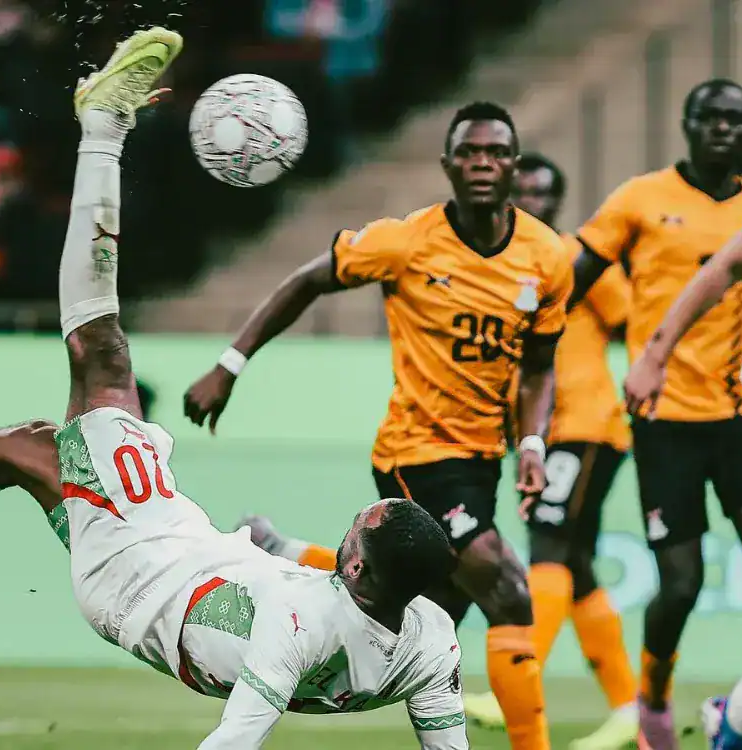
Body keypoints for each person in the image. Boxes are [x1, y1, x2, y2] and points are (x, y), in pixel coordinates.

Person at [0, 28, 470, 750]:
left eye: (357, 527)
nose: (350, 528)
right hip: (175, 564)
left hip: (145, 570)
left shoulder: (300, 626)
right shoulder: (430, 640)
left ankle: (105, 125)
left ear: (356, 566)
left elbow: (236, 740)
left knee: (102, 355)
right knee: (35, 449)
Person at [184, 102, 573, 750]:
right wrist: (231, 363)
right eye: (469, 153)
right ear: (448, 165)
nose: (482, 163)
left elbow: (538, 368)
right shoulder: (406, 241)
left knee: (430, 606)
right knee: (508, 590)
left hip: (482, 459)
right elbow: (307, 280)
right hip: (415, 452)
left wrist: (531, 443)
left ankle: (286, 552)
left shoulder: (546, 256)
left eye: (496, 152)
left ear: (513, 164)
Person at [238, 153, 639, 749]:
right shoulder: (441, 249)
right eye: (525, 189)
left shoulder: (566, 259)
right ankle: (581, 708)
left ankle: (617, 704)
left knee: (481, 582)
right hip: (457, 444)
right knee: (494, 582)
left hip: (570, 427)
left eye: (544, 193)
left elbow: (630, 325)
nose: (533, 201)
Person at [570, 78, 742, 749]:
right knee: (681, 584)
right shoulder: (641, 198)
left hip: (741, 415)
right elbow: (576, 272)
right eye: (710, 118)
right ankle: (653, 693)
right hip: (665, 419)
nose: (723, 129)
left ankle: (737, 715)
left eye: (735, 121)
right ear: (686, 125)